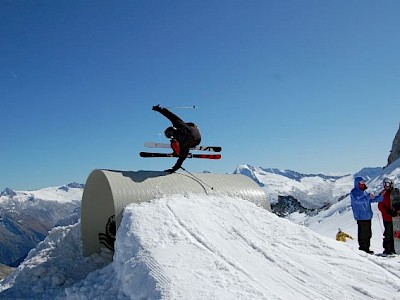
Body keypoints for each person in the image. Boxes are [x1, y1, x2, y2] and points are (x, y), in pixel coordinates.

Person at [152, 105, 201, 173]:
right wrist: (159, 109)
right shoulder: (178, 124)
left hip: (196, 141)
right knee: (177, 142)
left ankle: (177, 152)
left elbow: (182, 158)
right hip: (193, 127)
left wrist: (174, 168)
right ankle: (178, 150)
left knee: (175, 144)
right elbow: (170, 115)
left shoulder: (185, 143)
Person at [350, 176, 383, 254]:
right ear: (357, 183)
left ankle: (366, 248)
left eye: (363, 182)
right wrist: (368, 197)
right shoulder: (354, 192)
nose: (363, 184)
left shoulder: (364, 192)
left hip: (367, 216)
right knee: (363, 234)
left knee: (368, 234)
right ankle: (363, 249)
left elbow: (371, 199)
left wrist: (381, 197)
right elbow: (358, 201)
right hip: (361, 217)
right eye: (361, 182)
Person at [378, 178, 397, 255]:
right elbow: (380, 205)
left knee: (396, 234)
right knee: (388, 234)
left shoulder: (396, 192)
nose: (386, 186)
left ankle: (395, 248)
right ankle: (387, 249)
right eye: (385, 184)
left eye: (388, 184)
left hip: (396, 218)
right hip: (387, 218)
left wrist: (397, 211)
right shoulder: (383, 193)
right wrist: (387, 212)